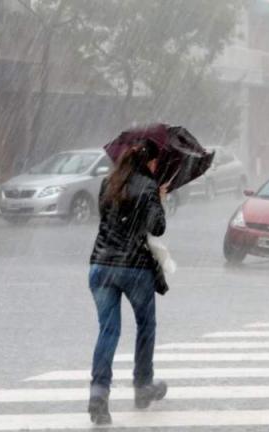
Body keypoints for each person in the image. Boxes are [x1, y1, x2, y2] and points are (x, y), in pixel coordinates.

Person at [87, 139, 169, 425]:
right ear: (149, 162)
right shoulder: (148, 186)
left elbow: (108, 219)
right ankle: (143, 385)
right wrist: (158, 198)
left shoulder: (107, 183)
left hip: (100, 266)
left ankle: (98, 392)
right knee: (146, 325)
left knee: (108, 331)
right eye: (156, 162)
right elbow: (156, 227)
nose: (157, 167)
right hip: (134, 268)